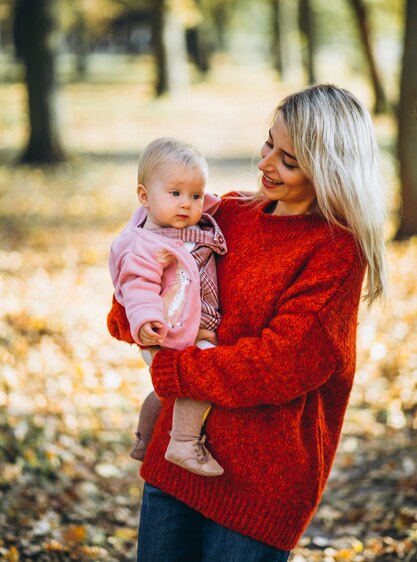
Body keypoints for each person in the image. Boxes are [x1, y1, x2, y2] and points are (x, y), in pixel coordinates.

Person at [107, 84, 388, 562]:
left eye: (289, 160)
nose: (266, 164)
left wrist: (175, 370)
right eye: (268, 144)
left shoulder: (335, 251)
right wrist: (141, 312)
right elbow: (136, 293)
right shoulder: (228, 214)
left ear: (329, 168)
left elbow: (285, 362)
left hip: (259, 482)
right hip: (175, 459)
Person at [109, 137, 227, 477]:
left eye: (195, 195)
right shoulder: (145, 244)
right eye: (174, 194)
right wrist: (146, 320)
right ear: (144, 196)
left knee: (168, 393)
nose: (186, 204)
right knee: (202, 377)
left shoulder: (186, 227)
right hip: (169, 331)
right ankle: (184, 442)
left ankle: (145, 439)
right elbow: (138, 285)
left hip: (188, 323)